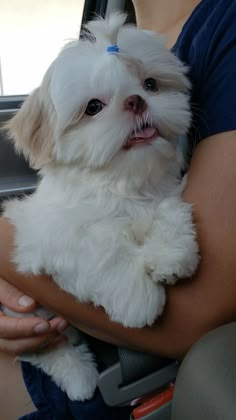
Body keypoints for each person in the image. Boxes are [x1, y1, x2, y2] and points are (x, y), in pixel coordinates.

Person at [0, 0, 236, 418]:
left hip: (133, 374)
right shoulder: (119, 17)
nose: (136, 103)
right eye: (94, 107)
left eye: (150, 86)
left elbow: (192, 312)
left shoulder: (223, 27)